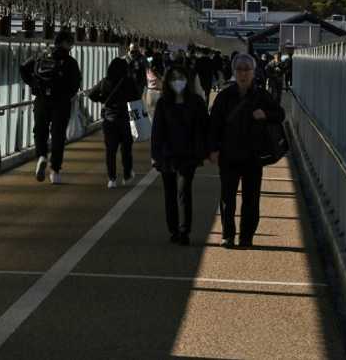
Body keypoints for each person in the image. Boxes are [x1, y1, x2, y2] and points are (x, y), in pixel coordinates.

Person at [208, 54, 285, 249]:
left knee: (251, 197)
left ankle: (246, 236)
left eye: (247, 69)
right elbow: (214, 123)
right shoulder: (225, 96)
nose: (243, 73)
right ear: (234, 72)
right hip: (228, 154)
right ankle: (227, 235)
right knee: (227, 197)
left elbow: (280, 114)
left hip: (253, 155)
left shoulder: (261, 95)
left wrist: (265, 114)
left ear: (253, 72)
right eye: (239, 69)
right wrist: (213, 149)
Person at [151, 64, 209, 245]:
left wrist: (205, 150)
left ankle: (185, 231)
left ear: (187, 80)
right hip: (167, 154)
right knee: (169, 193)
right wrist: (155, 155)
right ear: (168, 81)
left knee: (184, 191)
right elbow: (157, 131)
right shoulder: (163, 103)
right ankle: (173, 230)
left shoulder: (196, 102)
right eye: (174, 78)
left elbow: (204, 127)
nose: (178, 82)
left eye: (181, 78)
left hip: (189, 154)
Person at [21, 30, 81, 184]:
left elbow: (23, 69)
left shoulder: (41, 57)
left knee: (40, 131)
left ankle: (41, 156)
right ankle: (55, 171)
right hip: (61, 103)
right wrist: (67, 94)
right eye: (70, 42)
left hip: (41, 100)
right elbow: (75, 84)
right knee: (58, 135)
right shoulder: (70, 62)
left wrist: (34, 85)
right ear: (65, 43)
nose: (72, 45)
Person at [87, 56, 141, 188]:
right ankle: (127, 175)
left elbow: (91, 94)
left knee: (110, 150)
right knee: (126, 149)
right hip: (126, 119)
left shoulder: (105, 82)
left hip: (109, 120)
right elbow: (137, 98)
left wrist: (103, 100)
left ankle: (112, 179)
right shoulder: (129, 82)